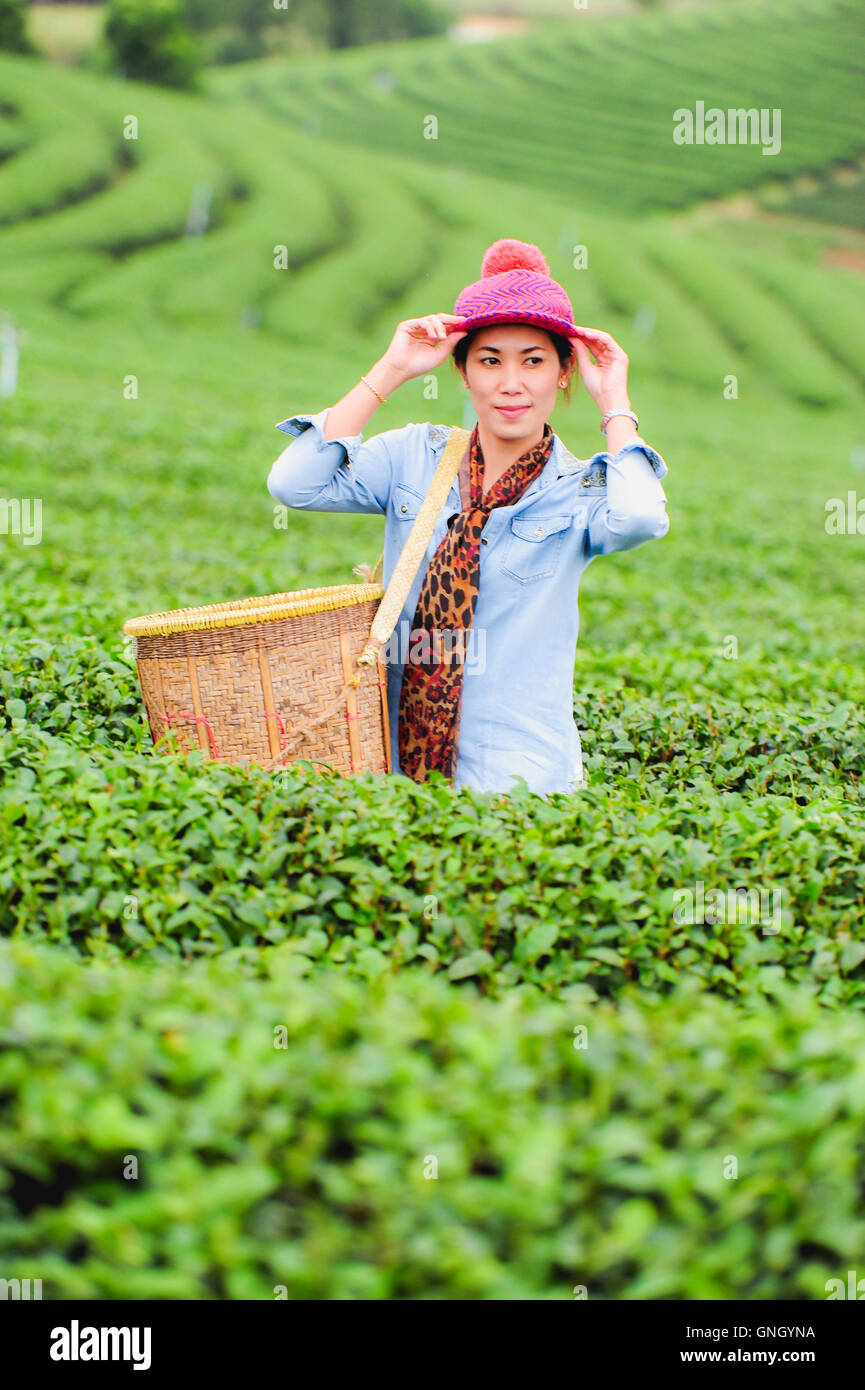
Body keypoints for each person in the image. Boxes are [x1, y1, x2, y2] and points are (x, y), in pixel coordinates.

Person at [267, 238, 670, 797]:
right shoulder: (415, 455)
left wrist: (614, 404)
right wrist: (391, 370)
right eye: (490, 360)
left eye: (533, 361)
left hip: (515, 772)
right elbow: (295, 483)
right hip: (390, 761)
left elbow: (640, 519)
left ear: (562, 372)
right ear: (463, 371)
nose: (511, 383)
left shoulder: (580, 488)